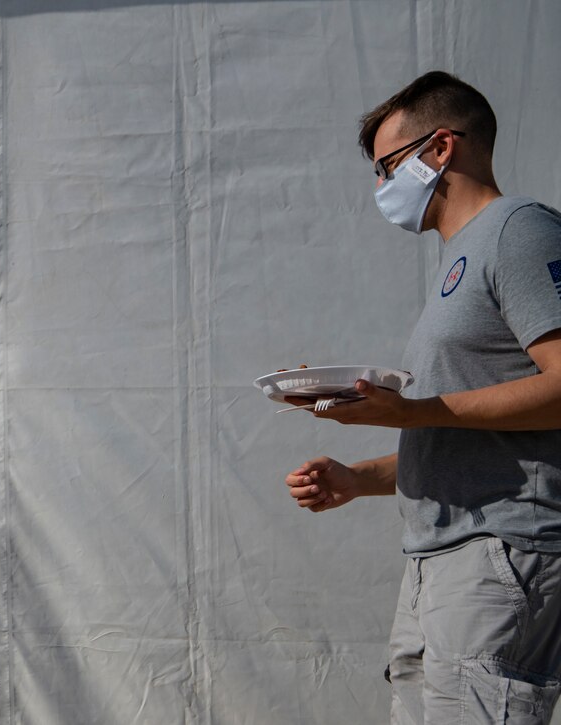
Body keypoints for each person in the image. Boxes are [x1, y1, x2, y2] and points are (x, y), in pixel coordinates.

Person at [283, 71, 561, 723]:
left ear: (441, 147)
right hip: (439, 560)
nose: (381, 187)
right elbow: (473, 431)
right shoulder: (460, 260)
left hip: (498, 551)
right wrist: (359, 477)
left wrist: (408, 411)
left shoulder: (519, 231)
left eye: (387, 167)